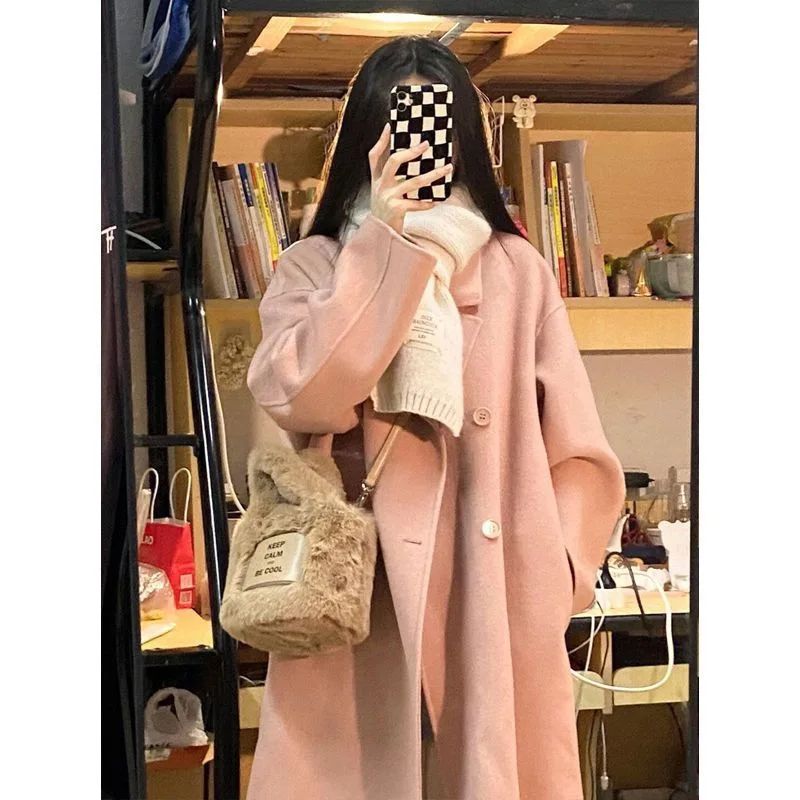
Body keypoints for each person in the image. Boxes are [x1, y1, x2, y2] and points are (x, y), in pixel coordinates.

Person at [246, 36, 624, 800]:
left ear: (464, 143)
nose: (418, 147)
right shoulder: (315, 265)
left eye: (436, 126)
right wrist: (383, 250)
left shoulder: (516, 272)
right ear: (366, 140)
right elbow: (303, 396)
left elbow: (580, 451)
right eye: (397, 125)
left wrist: (559, 572)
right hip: (357, 596)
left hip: (494, 600)